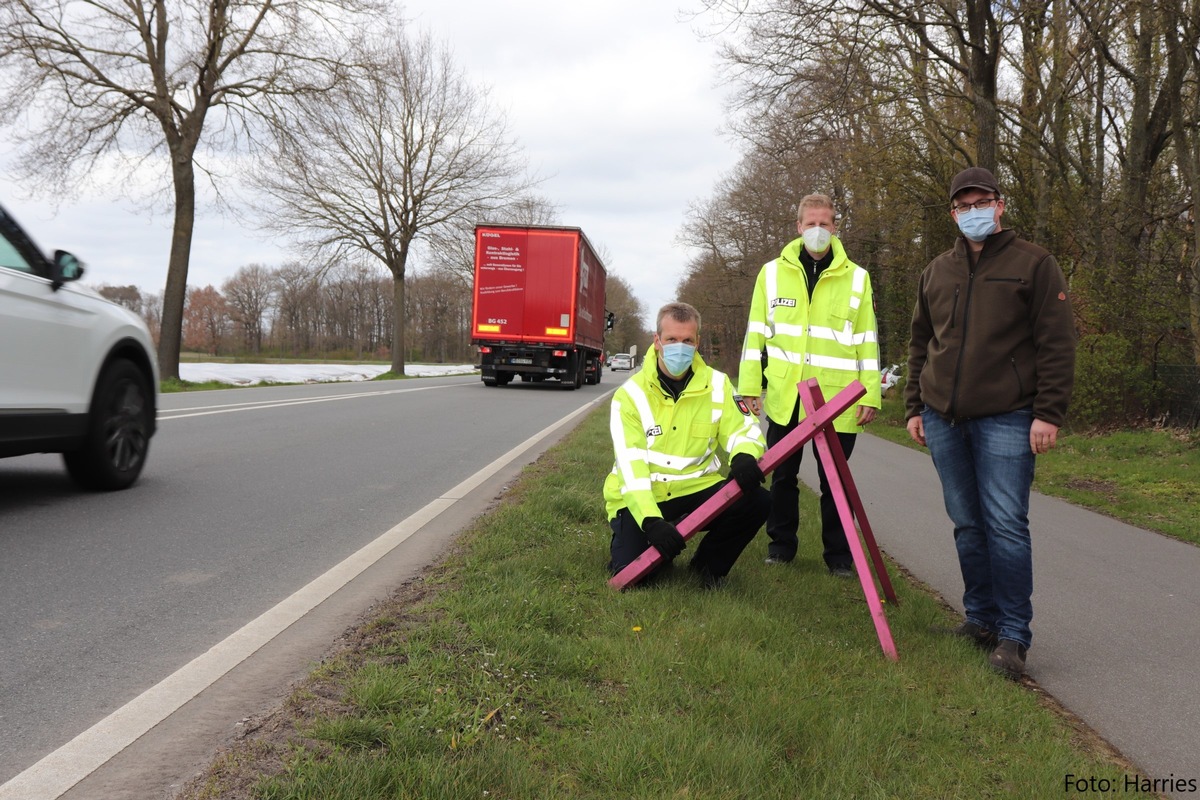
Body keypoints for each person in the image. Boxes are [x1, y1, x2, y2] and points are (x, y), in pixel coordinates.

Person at [905, 166, 1077, 679]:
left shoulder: (1035, 264)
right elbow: (920, 342)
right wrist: (915, 406)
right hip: (942, 418)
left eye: (982, 203)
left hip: (1008, 417)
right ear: (952, 213)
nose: (973, 212)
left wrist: (1049, 412)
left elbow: (1056, 343)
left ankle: (1013, 635)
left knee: (1005, 525)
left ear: (1000, 205)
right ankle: (979, 619)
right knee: (967, 524)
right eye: (964, 206)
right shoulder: (937, 270)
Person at [738, 193, 881, 576]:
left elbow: (867, 340)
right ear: (798, 227)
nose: (818, 230)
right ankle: (781, 548)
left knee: (835, 481)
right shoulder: (771, 274)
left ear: (835, 228)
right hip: (786, 398)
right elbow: (756, 336)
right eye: (811, 223)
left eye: (825, 224)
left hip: (838, 399)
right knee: (783, 477)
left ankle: (839, 558)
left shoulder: (857, 278)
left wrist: (873, 394)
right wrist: (749, 387)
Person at [605, 302, 771, 588]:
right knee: (637, 579)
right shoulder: (629, 395)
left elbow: (745, 429)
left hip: (696, 489)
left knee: (757, 500)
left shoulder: (719, 385)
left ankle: (707, 568)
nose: (678, 347)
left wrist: (744, 455)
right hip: (645, 495)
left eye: (687, 341)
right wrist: (650, 521)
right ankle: (647, 543)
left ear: (697, 343)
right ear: (657, 341)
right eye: (671, 339)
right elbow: (631, 468)